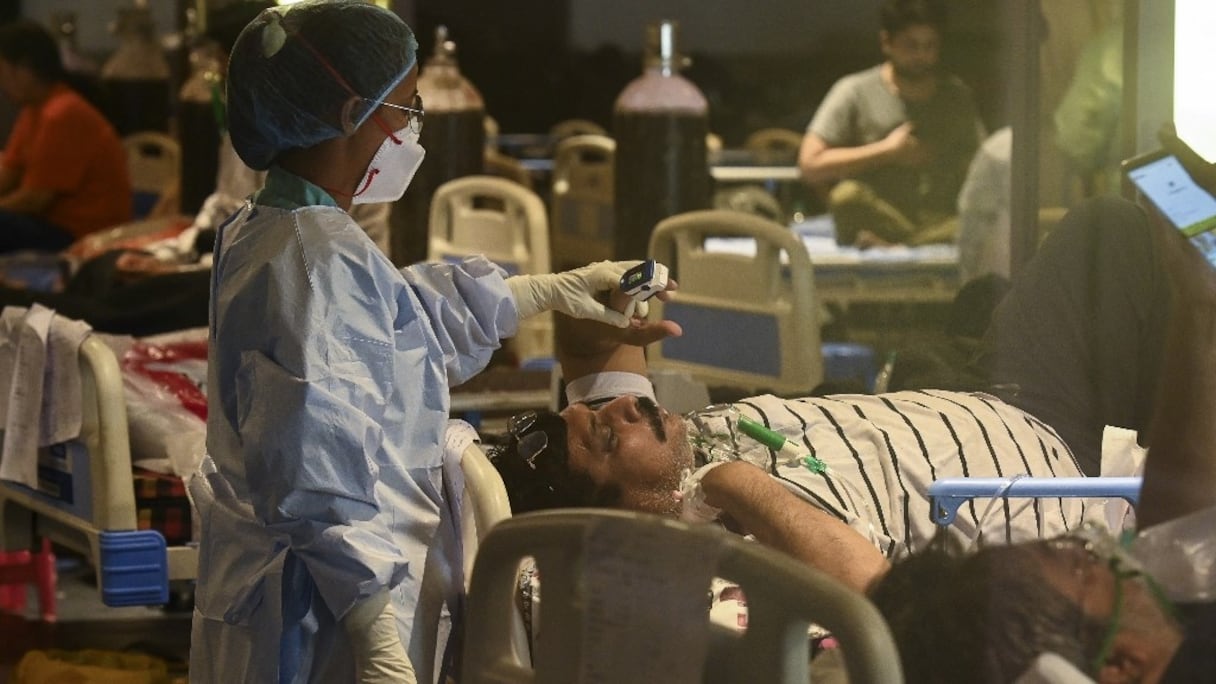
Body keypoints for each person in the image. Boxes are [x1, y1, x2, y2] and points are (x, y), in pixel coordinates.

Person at [188, 3, 649, 682]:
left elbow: (398, 328)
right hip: (324, 614)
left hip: (309, 594)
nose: (412, 127)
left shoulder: (276, 226)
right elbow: (314, 474)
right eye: (405, 109)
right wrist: (376, 637)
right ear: (350, 111)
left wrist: (549, 291)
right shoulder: (312, 260)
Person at [868, 158, 1216, 683]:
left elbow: (1176, 519)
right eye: (1083, 564)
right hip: (1038, 432)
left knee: (1104, 231)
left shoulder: (1151, 634)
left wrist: (1197, 303)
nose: (1100, 546)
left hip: (1002, 416)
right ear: (1123, 664)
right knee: (1106, 231)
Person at [797, 0, 984, 248]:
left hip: (941, 218)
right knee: (846, 197)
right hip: (880, 214)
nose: (921, 55)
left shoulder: (956, 95)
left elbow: (984, 162)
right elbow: (810, 165)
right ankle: (911, 242)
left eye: (930, 46)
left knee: (983, 218)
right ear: (887, 42)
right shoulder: (853, 91)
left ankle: (904, 245)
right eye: (911, 46)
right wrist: (887, 152)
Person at [0, 20, 131, 253]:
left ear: (25, 70)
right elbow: (9, 172)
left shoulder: (62, 113)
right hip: (50, 224)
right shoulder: (33, 110)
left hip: (81, 233)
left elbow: (35, 199)